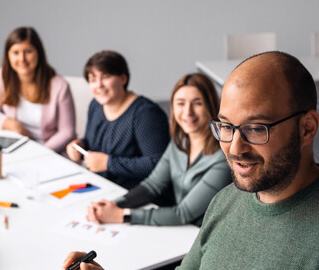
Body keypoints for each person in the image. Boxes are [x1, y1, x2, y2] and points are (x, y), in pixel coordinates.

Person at [63, 51, 319, 270]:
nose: (235, 148)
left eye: (256, 128)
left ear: (307, 128)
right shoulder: (227, 201)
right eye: (225, 127)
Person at [85, 73, 230, 226]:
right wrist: (112, 205)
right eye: (180, 103)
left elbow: (183, 213)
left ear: (212, 106)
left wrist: (122, 215)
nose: (188, 112)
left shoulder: (223, 157)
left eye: (197, 103)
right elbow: (152, 185)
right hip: (182, 228)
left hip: (205, 233)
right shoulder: (181, 141)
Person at [65, 50, 169, 189]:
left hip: (135, 193)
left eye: (106, 77)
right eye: (93, 80)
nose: (99, 85)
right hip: (100, 185)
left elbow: (158, 164)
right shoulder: (96, 105)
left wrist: (109, 164)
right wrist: (80, 146)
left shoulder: (145, 113)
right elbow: (92, 142)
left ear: (123, 78)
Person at [0, 26, 75, 153]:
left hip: (50, 151)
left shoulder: (60, 86)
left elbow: (67, 132)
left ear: (38, 53)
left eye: (28, 51)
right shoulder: (3, 76)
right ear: (8, 55)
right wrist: (11, 124)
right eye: (16, 53)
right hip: (18, 148)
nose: (22, 59)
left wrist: (40, 151)